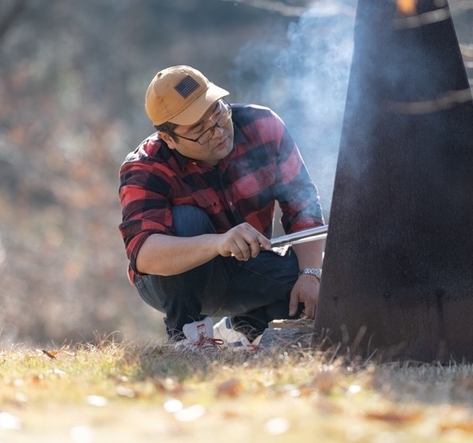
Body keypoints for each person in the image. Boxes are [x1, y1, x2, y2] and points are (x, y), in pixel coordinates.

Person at [118, 65, 325, 345]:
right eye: (199, 130)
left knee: (322, 283)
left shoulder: (263, 126)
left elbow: (304, 207)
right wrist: (218, 242)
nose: (217, 133)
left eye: (218, 113)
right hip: (167, 279)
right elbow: (145, 254)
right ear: (168, 138)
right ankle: (189, 338)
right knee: (187, 220)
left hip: (246, 264)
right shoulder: (145, 167)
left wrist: (310, 275)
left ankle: (242, 328)